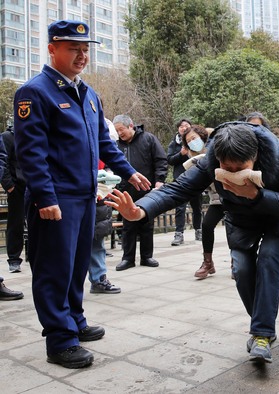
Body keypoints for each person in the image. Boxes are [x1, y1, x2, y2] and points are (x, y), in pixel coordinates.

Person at [106, 122, 279, 364]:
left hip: (278, 218)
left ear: (255, 157)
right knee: (241, 269)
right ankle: (262, 323)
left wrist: (256, 194)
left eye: (239, 169)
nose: (231, 174)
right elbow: (177, 189)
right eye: (226, 168)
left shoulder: (278, 153)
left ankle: (262, 334)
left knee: (268, 258)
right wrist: (140, 211)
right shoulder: (212, 159)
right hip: (241, 221)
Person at [13, 20, 150, 369]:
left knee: (76, 266)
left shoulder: (88, 94)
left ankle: (74, 320)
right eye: (73, 48)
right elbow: (31, 153)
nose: (82, 55)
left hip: (86, 195)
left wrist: (129, 171)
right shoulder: (35, 92)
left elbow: (105, 143)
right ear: (52, 49)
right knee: (54, 269)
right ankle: (60, 340)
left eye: (85, 49)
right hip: (56, 199)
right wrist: (45, 198)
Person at [113, 114, 167, 271]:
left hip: (146, 188)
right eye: (117, 131)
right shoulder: (116, 145)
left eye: (121, 129)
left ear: (130, 126)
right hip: (125, 191)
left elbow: (161, 160)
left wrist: (159, 180)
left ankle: (147, 256)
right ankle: (127, 258)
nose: (120, 133)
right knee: (128, 226)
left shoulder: (148, 139)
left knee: (147, 224)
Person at [180, 125, 221, 280]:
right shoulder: (194, 159)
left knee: (233, 227)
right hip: (216, 200)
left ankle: (235, 262)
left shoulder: (216, 147)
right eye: (189, 141)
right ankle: (207, 262)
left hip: (232, 196)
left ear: (203, 136)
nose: (192, 142)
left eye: (194, 138)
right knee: (207, 225)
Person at [167, 118, 203, 246]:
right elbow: (170, 160)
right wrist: (181, 154)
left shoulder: (197, 141)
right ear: (178, 129)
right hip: (181, 178)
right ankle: (179, 234)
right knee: (180, 207)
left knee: (197, 207)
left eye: (186, 125)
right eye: (181, 126)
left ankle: (199, 231)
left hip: (196, 177)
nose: (183, 128)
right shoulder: (174, 143)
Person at [88, 163, 122, 294]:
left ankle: (99, 279)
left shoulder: (100, 144)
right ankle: (67, 283)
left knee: (97, 242)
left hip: (100, 196)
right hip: (73, 193)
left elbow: (111, 162)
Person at [1, 125, 27, 272]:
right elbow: (2, 162)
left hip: (34, 185)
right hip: (17, 188)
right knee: (15, 223)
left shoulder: (33, 134)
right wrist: (9, 186)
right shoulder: (7, 137)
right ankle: (14, 259)